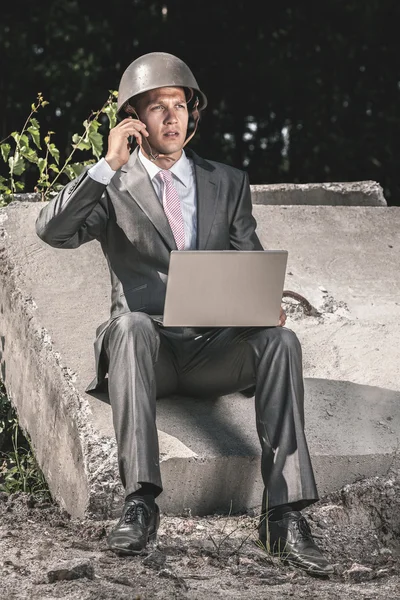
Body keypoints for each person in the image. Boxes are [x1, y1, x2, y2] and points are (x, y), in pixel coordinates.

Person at [35, 52, 333, 576]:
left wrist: (266, 306)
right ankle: (141, 503)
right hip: (148, 351)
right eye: (157, 107)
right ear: (134, 121)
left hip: (216, 349)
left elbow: (249, 260)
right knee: (127, 326)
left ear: (192, 116)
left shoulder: (227, 183)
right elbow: (52, 231)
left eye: (179, 106)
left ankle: (283, 515)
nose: (171, 117)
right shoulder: (114, 187)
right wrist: (107, 166)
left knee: (281, 342)